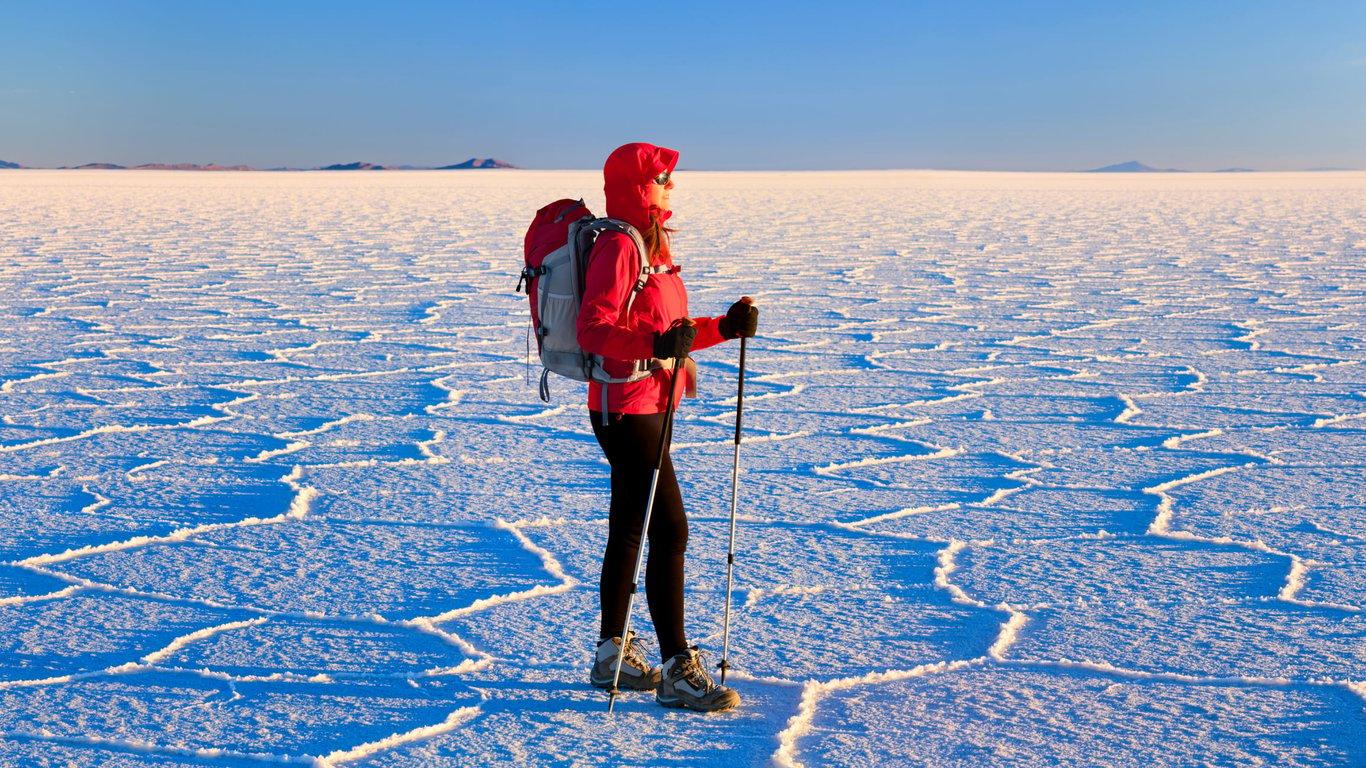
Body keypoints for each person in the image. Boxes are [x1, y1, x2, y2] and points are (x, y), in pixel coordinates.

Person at [577, 142, 758, 712]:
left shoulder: (651, 249)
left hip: (648, 400)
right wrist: (652, 345)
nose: (670, 187)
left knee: (632, 527)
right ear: (638, 186)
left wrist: (723, 329)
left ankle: (614, 657)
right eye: (661, 178)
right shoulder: (619, 247)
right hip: (626, 405)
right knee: (670, 530)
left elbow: (671, 331)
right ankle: (677, 668)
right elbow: (593, 329)